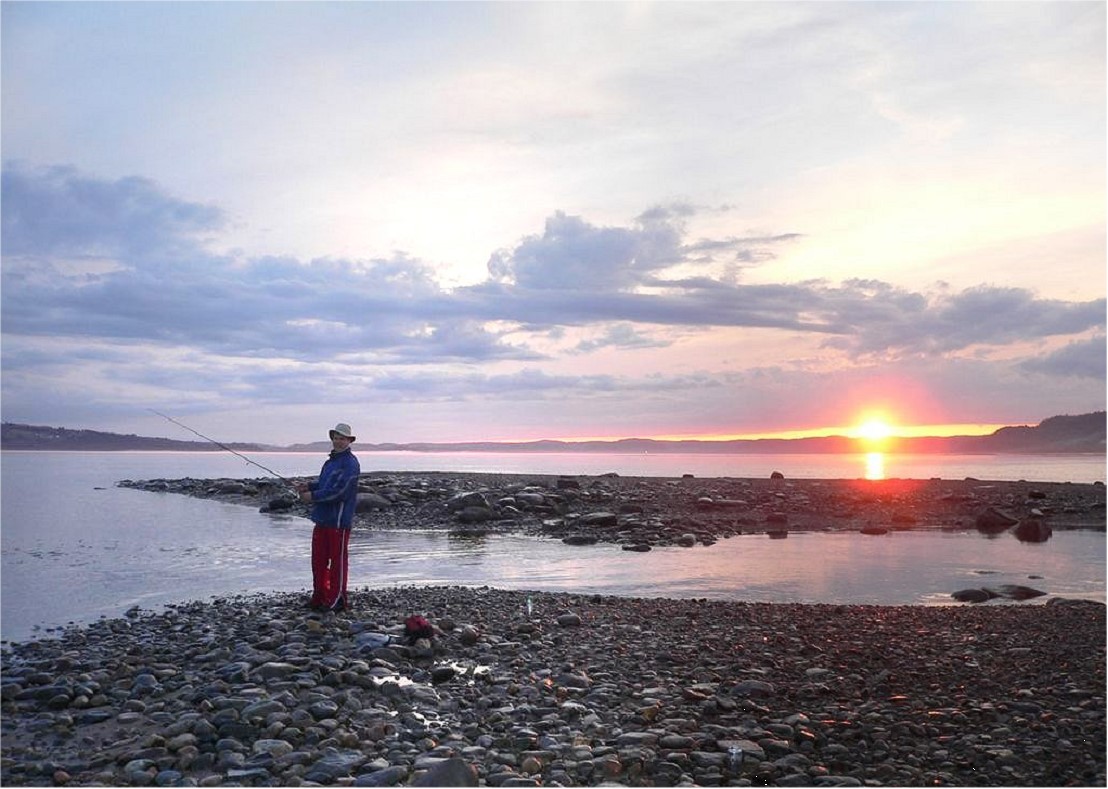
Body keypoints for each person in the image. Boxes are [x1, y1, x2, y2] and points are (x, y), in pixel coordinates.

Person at [295, 422, 361, 612]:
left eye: (342, 438)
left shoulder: (351, 463)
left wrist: (313, 496)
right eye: (336, 438)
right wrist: (308, 486)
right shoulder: (330, 461)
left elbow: (340, 492)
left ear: (349, 441)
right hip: (321, 519)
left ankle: (337, 599)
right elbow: (325, 483)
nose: (338, 441)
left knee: (337, 562)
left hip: (339, 522)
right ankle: (319, 597)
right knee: (318, 561)